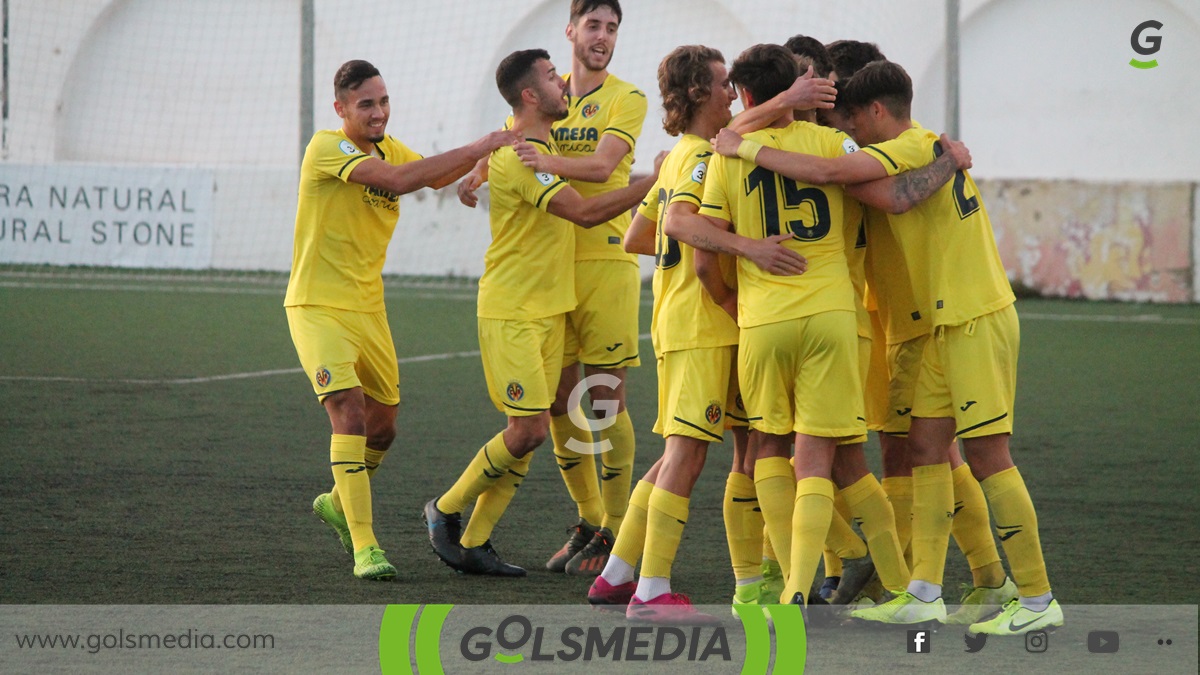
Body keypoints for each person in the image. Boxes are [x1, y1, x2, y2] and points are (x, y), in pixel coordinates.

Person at [715, 59, 1061, 636]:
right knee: (925, 448)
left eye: (852, 126)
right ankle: (924, 591)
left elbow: (841, 175)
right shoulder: (924, 152)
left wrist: (743, 147)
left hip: (972, 317)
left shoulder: (913, 143)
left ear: (876, 112)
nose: (848, 139)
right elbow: (871, 190)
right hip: (929, 327)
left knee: (988, 455)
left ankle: (1036, 598)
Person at [585, 44, 805, 623]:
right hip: (703, 325)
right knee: (687, 455)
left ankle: (617, 573)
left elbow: (639, 238)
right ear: (699, 93)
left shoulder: (685, 155)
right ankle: (652, 593)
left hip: (686, 323)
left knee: (679, 454)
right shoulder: (701, 158)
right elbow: (680, 225)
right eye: (722, 83)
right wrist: (748, 253)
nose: (733, 92)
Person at [422, 48, 662, 577]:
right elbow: (586, 209)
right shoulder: (523, 158)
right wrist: (658, 181)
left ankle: (479, 541)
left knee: (542, 422)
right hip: (514, 311)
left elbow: (548, 153)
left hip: (552, 309)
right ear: (531, 95)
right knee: (528, 430)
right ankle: (444, 510)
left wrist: (482, 162)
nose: (564, 83)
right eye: (554, 78)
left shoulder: (535, 145)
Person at [287, 59, 520, 580]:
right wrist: (481, 146)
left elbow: (431, 173)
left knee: (383, 428)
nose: (378, 112)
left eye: (384, 101)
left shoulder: (391, 147)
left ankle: (338, 503)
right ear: (341, 109)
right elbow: (398, 180)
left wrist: (487, 159)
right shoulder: (327, 147)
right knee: (347, 412)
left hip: (369, 308)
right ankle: (365, 546)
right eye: (366, 104)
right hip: (317, 305)